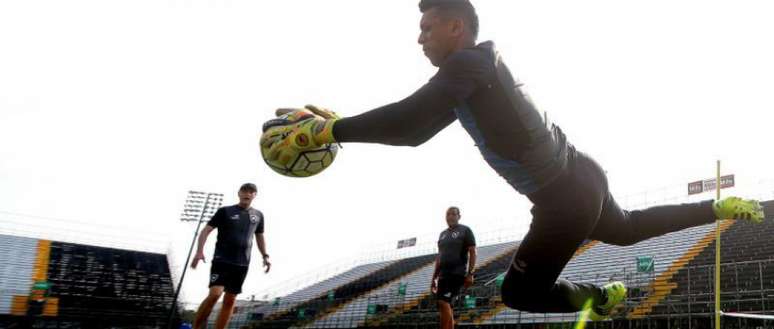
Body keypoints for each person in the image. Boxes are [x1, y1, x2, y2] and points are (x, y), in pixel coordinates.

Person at [260, 0, 765, 320]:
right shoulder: (473, 72)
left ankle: (601, 296)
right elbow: (415, 130)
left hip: (564, 194)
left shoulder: (468, 63)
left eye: (426, 27)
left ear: (456, 26)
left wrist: (331, 130)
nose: (420, 37)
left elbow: (409, 123)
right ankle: (717, 209)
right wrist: (342, 125)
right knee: (625, 228)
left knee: (521, 293)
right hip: (580, 173)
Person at [190, 183, 270, 329]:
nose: (247, 194)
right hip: (222, 260)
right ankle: (195, 326)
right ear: (239, 193)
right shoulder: (225, 211)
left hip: (241, 264)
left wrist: (265, 255)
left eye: (251, 192)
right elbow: (205, 231)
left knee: (230, 301)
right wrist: (199, 251)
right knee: (215, 294)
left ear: (254, 195)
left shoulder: (258, 215)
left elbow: (259, 236)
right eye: (244, 191)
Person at [432, 206, 476, 329]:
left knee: (443, 302)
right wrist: (433, 278)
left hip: (456, 273)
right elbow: (439, 257)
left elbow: (473, 251)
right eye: (448, 214)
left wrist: (470, 273)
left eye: (453, 214)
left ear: (459, 216)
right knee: (444, 306)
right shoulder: (442, 234)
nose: (450, 216)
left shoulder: (465, 230)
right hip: (443, 275)